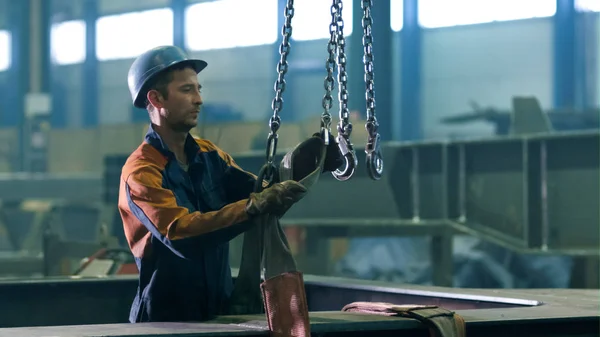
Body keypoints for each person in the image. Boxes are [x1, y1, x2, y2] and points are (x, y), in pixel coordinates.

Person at [118, 45, 340, 323]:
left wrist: (308, 162)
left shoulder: (210, 156)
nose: (198, 99)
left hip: (218, 315)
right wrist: (250, 208)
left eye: (199, 89)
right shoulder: (141, 172)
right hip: (165, 322)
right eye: (187, 90)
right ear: (156, 98)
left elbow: (262, 195)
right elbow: (179, 234)